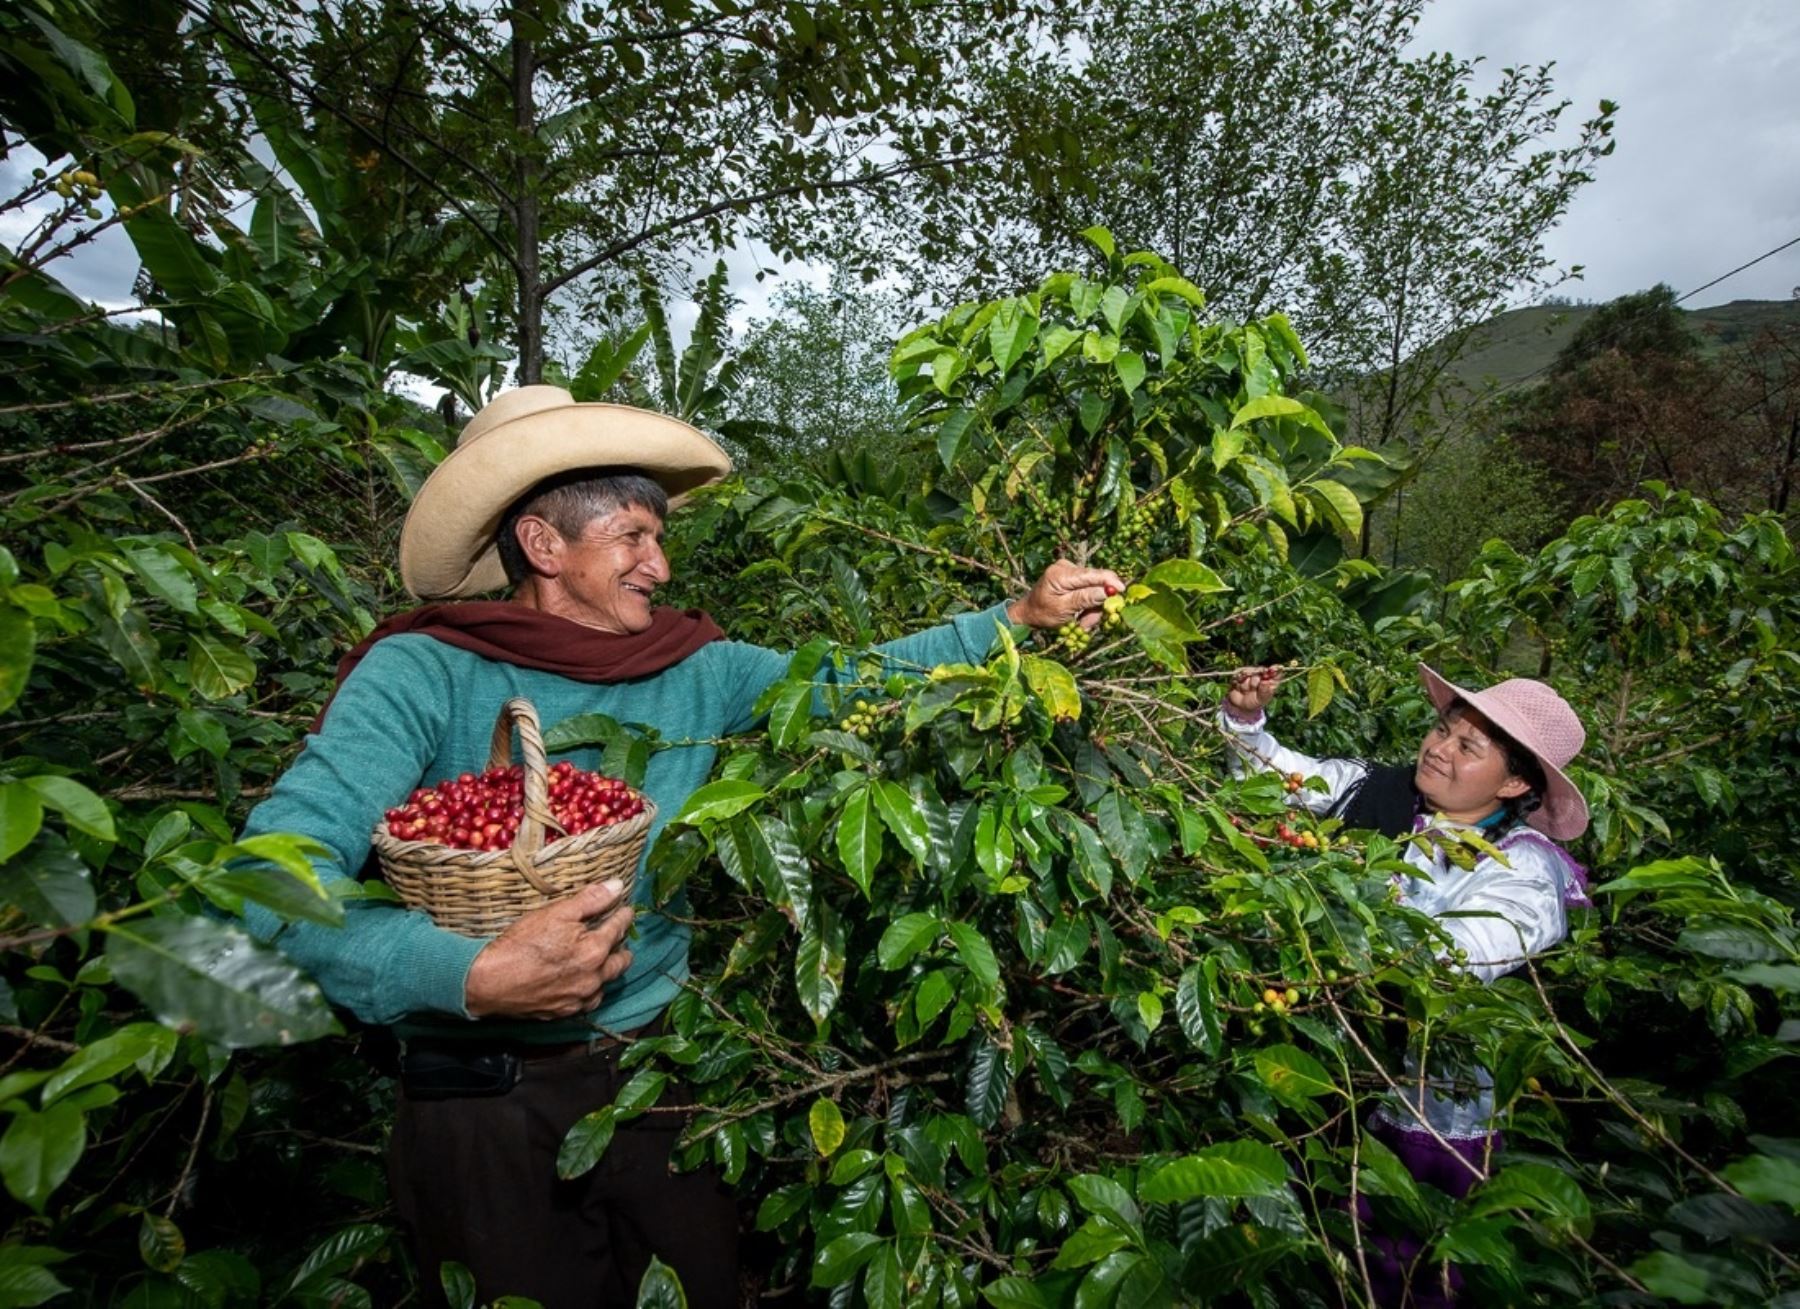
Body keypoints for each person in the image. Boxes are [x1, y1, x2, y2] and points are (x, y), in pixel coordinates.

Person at [236, 385, 1123, 1309]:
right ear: (545, 546)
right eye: (632, 536)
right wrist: (466, 974)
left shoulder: (696, 668)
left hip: (663, 1069)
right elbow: (271, 878)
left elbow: (849, 682)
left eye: (658, 538)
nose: (659, 565)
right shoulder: (425, 671)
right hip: (479, 1100)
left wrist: (1014, 620)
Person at [1220, 662, 1590, 1306]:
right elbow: (1278, 776)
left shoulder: (1530, 873)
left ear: (1514, 782)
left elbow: (1458, 954)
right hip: (1319, 1076)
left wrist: (1354, 897)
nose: (1438, 749)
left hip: (1426, 1111)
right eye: (1443, 730)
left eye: (1467, 747)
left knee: (1402, 1272)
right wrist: (1248, 720)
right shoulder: (1377, 792)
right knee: (1300, 1251)